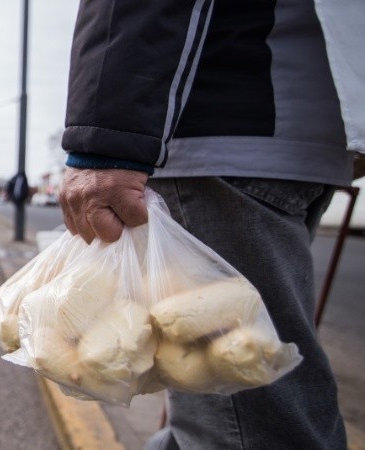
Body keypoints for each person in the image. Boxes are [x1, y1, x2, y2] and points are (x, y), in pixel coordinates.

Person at [58, 1, 361, 448]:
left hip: (220, 134)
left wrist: (103, 143)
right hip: (301, 139)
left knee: (251, 419)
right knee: (228, 403)